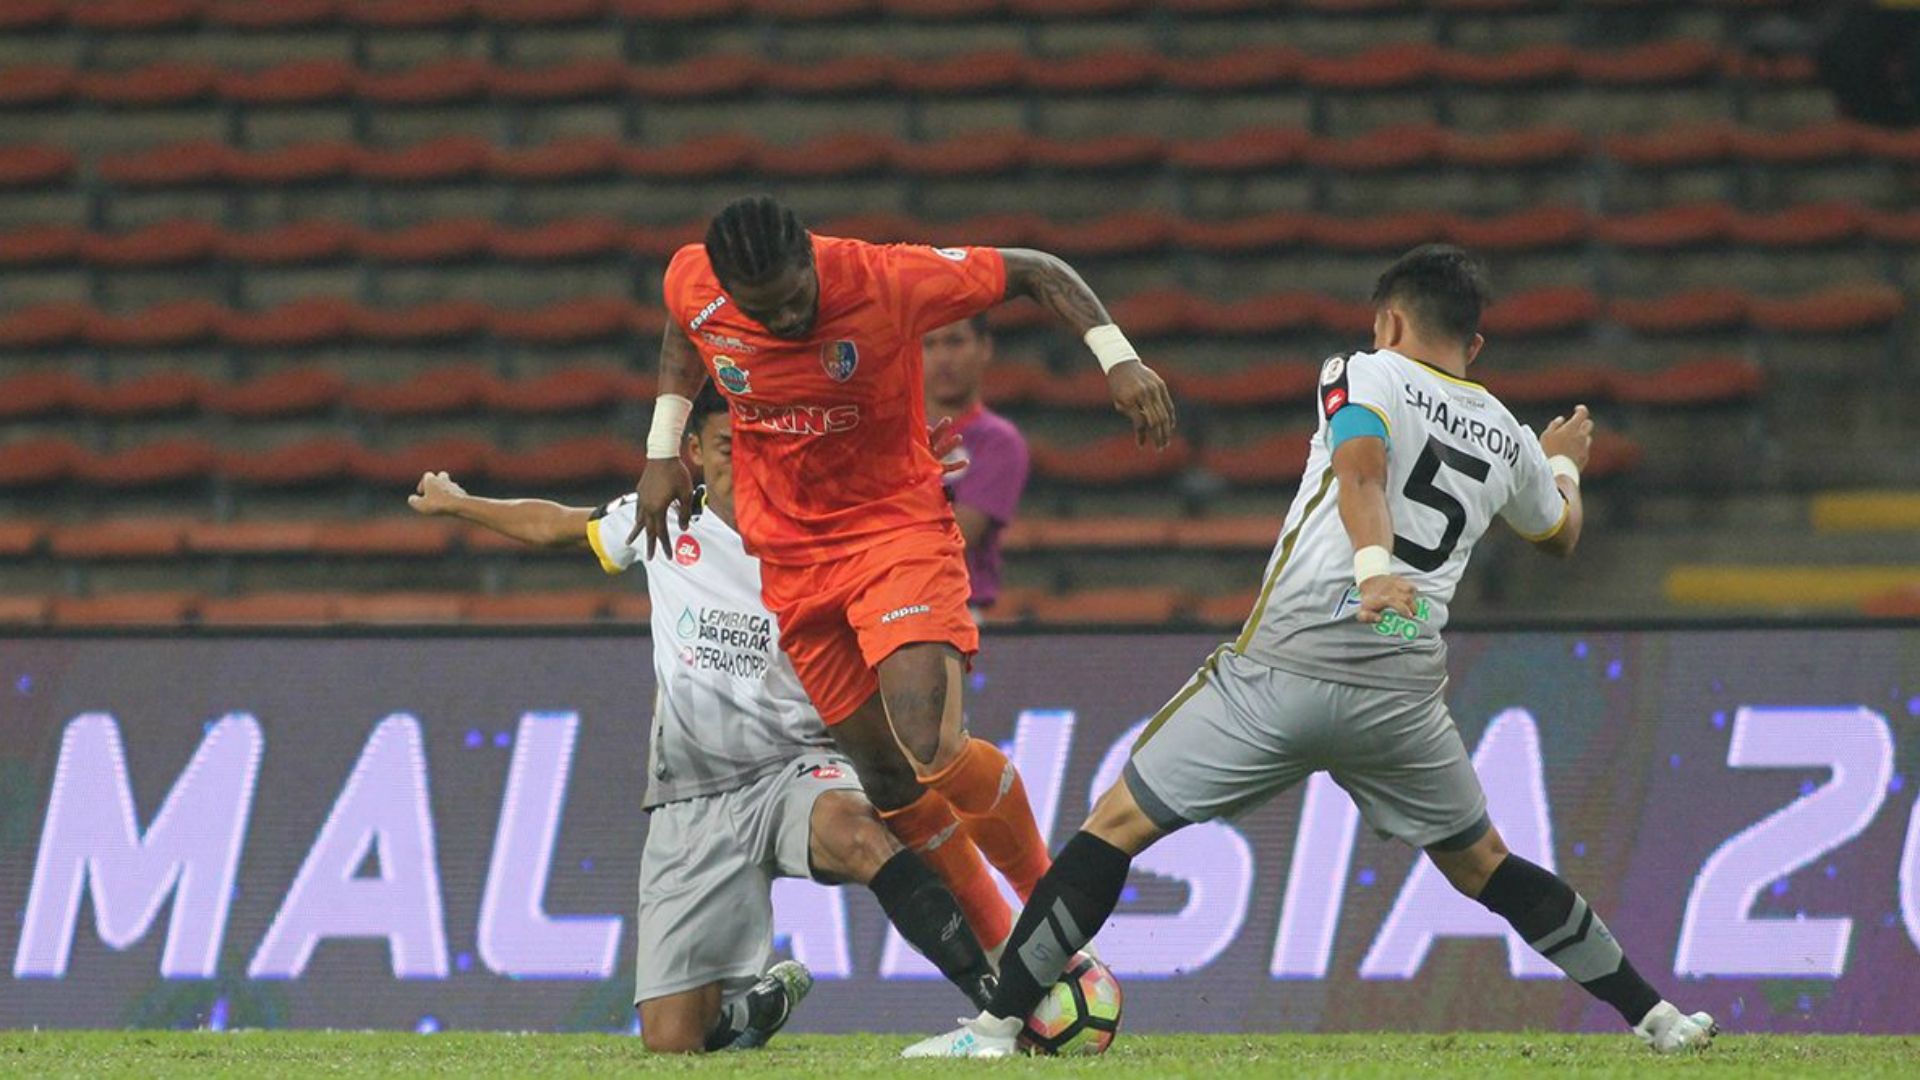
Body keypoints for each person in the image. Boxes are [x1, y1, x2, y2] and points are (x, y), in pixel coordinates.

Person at [904, 246, 1718, 1057]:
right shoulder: (1507, 435)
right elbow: (1559, 535)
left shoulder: (1364, 371)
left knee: (1116, 825)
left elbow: (1359, 468)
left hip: (1293, 660)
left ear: (1390, 321)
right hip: (1402, 677)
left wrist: (1371, 569)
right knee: (1485, 866)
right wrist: (1563, 465)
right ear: (1474, 347)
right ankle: (1659, 1018)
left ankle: (995, 1031)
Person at [629, 196, 1176, 955]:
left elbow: (1038, 271)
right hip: (790, 558)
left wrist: (1119, 358)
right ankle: (1008, 958)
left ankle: (1056, 921)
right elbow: (684, 340)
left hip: (893, 532)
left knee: (932, 747)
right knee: (886, 784)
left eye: (794, 301)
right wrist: (662, 445)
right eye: (764, 314)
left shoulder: (882, 277)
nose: (786, 323)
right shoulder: (695, 282)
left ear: (808, 260)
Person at [407, 384, 998, 1053]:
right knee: (672, 1041)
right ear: (691, 451)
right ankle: (748, 1014)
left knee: (857, 835)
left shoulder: (822, 527)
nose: (745, 465)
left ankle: (998, 1005)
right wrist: (459, 506)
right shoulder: (663, 519)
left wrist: (909, 474)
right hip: (690, 792)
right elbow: (557, 525)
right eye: (726, 448)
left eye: (760, 449)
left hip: (795, 763)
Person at [923, 314, 1030, 616]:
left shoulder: (999, 442)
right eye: (929, 344)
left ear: (984, 347)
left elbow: (957, 537)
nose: (943, 358)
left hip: (955, 609)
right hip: (879, 604)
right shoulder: (889, 431)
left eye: (955, 342)